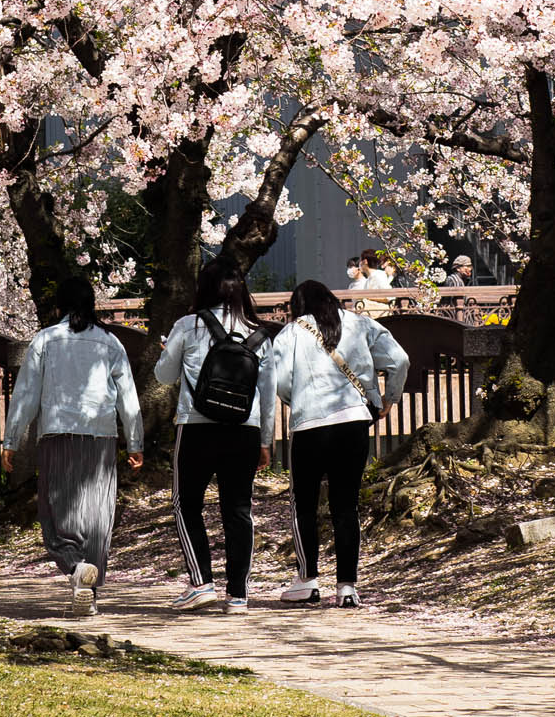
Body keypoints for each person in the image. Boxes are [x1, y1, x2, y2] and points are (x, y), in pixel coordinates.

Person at [0, 275, 143, 617]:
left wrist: (11, 439)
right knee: (97, 513)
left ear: (60, 305)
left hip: (58, 433)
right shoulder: (111, 343)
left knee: (56, 509)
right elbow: (129, 398)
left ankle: (76, 567)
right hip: (102, 436)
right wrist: (135, 441)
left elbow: (26, 394)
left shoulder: (46, 339)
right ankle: (89, 592)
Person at [273, 280, 408, 609]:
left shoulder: (290, 333)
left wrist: (299, 399)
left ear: (297, 306)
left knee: (303, 504)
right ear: (332, 300)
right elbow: (400, 360)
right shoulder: (361, 324)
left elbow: (279, 381)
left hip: (309, 425)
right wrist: (389, 398)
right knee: (346, 506)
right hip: (353, 422)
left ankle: (307, 580)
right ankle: (347, 586)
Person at [154, 257, 275, 614]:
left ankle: (201, 582)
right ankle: (238, 594)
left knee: (186, 504)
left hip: (196, 427)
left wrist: (167, 353)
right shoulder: (259, 334)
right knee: (239, 510)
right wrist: (265, 441)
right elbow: (266, 395)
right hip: (245, 430)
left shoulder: (188, 326)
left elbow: (164, 377)